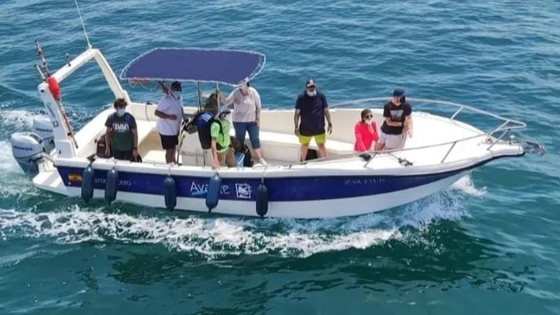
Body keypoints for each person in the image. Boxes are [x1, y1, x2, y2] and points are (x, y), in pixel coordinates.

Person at [219, 78, 266, 165]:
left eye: (243, 83)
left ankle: (260, 158)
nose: (241, 86)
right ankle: (239, 158)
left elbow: (259, 107)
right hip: (239, 121)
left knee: (255, 139)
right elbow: (227, 101)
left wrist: (258, 118)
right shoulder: (236, 92)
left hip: (252, 121)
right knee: (239, 140)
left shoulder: (253, 92)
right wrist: (220, 96)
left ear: (247, 83)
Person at [294, 79, 333, 161]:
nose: (311, 88)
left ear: (316, 86)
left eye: (313, 86)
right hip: (305, 129)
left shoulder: (321, 96)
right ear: (306, 87)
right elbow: (297, 113)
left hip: (319, 128)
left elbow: (326, 110)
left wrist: (330, 123)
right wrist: (296, 127)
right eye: (309, 87)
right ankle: (303, 161)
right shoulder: (301, 97)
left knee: (321, 145)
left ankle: (326, 162)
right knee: (305, 145)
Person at [155, 81, 184, 164]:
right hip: (167, 130)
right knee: (169, 150)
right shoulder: (166, 99)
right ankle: (168, 165)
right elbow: (157, 112)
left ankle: (173, 161)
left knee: (174, 147)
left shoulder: (179, 98)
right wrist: (169, 117)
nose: (178, 90)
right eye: (177, 88)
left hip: (175, 129)